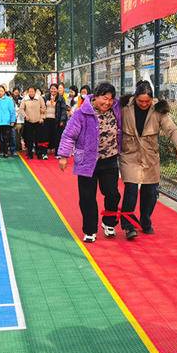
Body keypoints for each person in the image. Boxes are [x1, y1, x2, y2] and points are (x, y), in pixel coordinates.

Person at [118, 81, 177, 240]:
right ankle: (128, 225)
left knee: (150, 193)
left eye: (147, 101)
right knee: (131, 190)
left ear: (152, 99)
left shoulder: (158, 110)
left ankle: (145, 220)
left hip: (150, 157)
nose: (143, 104)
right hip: (130, 155)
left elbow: (172, 129)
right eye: (140, 101)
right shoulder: (124, 107)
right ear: (135, 97)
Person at [57, 82, 122, 243]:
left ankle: (109, 222)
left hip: (109, 159)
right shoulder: (82, 113)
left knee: (112, 193)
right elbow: (69, 135)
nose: (107, 102)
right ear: (96, 96)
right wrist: (63, 155)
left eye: (111, 99)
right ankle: (90, 229)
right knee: (87, 197)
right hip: (87, 160)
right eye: (104, 98)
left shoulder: (116, 109)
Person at [19, 86, 46, 159]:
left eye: (32, 91)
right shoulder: (25, 99)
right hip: (28, 121)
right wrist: (25, 116)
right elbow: (21, 109)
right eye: (30, 91)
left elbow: (43, 108)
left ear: (35, 91)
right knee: (29, 139)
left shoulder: (39, 98)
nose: (31, 93)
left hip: (38, 121)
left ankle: (39, 153)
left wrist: (42, 117)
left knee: (38, 139)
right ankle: (30, 153)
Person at [44, 83, 67, 156]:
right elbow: (42, 106)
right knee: (47, 135)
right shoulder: (46, 97)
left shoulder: (61, 98)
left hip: (56, 119)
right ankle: (46, 150)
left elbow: (63, 110)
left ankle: (57, 152)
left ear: (57, 90)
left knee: (56, 136)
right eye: (51, 89)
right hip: (46, 119)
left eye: (54, 89)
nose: (53, 90)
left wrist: (62, 120)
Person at [11, 87, 23, 155]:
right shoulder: (10, 99)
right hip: (13, 119)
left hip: (21, 119)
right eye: (15, 92)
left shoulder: (22, 99)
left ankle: (19, 147)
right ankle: (14, 149)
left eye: (17, 92)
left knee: (19, 135)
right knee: (14, 135)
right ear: (13, 92)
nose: (16, 93)